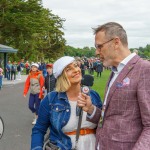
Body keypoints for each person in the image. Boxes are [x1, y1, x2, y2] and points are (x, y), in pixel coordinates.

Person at [77, 22, 150, 150]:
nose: (96, 52)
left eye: (99, 46)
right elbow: (111, 118)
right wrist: (90, 109)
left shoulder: (144, 69)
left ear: (116, 42)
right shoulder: (114, 71)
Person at [31, 56, 102, 150]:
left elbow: (105, 124)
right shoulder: (50, 99)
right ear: (61, 76)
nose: (76, 70)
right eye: (69, 69)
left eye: (76, 66)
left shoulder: (93, 95)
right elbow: (39, 130)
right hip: (63, 146)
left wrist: (91, 109)